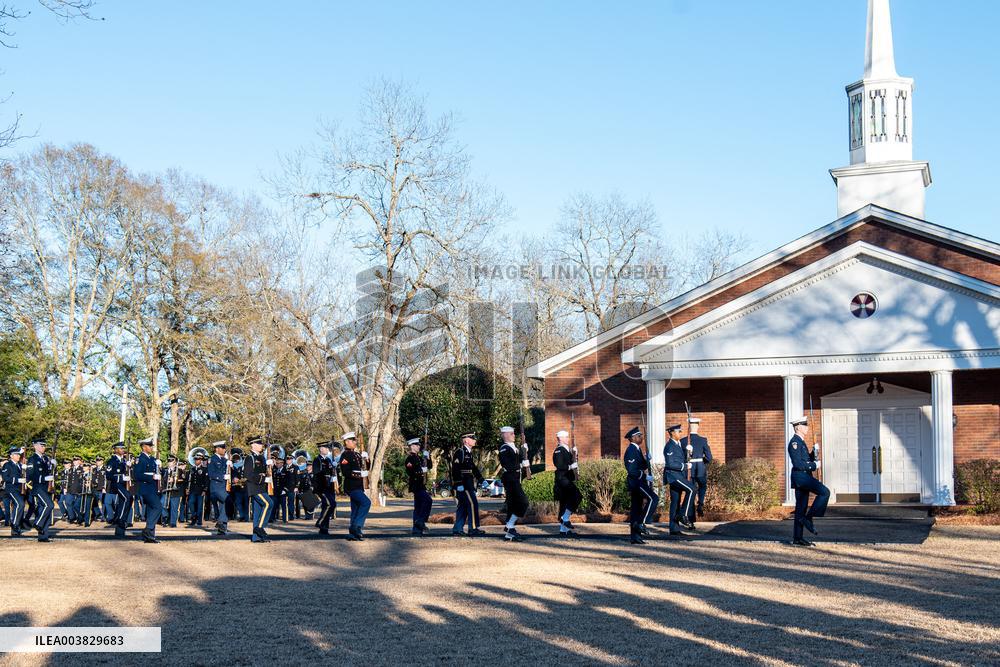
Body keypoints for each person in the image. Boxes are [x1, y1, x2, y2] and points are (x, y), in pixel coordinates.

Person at [788, 416, 829, 547]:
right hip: (801, 477)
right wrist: (814, 466)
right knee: (824, 492)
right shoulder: (794, 443)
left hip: (803, 477)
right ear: (798, 427)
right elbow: (798, 464)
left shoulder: (801, 442)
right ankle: (808, 518)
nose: (807, 428)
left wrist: (813, 452)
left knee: (801, 508)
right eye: (804, 425)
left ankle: (797, 538)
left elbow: (805, 458)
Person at [623, 426, 657, 545]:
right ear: (632, 438)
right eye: (639, 436)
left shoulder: (637, 449)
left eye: (641, 435)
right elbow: (632, 470)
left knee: (636, 509)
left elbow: (641, 466)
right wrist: (644, 476)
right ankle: (641, 523)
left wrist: (647, 460)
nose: (641, 438)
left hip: (638, 482)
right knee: (653, 498)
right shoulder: (631, 450)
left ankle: (635, 537)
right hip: (636, 483)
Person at [496, 427, 529, 542]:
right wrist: (521, 464)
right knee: (523, 502)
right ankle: (509, 526)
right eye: (511, 434)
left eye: (514, 433)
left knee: (513, 504)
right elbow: (507, 465)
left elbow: (518, 460)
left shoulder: (513, 447)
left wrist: (524, 451)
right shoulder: (504, 449)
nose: (514, 435)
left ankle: (510, 532)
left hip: (515, 478)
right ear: (505, 435)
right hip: (510, 479)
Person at [663, 424, 695, 536]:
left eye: (680, 431)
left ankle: (674, 529)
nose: (680, 433)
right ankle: (683, 514)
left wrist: (689, 452)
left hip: (679, 476)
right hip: (673, 476)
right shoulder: (669, 446)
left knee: (675, 502)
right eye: (678, 431)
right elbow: (671, 464)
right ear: (672, 433)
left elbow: (682, 459)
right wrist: (685, 466)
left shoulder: (678, 444)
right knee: (692, 489)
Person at [339, 432, 371, 541]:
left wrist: (366, 459)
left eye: (355, 440)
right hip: (351, 486)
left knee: (356, 508)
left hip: (359, 486)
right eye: (353, 441)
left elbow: (366, 467)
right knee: (366, 502)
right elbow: (346, 472)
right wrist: (359, 474)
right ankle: (357, 526)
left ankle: (353, 534)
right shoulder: (345, 455)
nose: (355, 442)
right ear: (347, 442)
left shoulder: (357, 454)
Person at [451, 433, 484, 537]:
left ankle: (457, 529)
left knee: (463, 506)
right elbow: (455, 469)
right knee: (472, 504)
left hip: (468, 483)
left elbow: (473, 468)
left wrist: (481, 479)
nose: (475, 440)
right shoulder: (460, 452)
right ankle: (473, 528)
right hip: (464, 484)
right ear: (466, 441)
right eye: (472, 438)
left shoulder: (469, 453)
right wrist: (458, 483)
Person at [133, 438, 163, 543]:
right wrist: (152, 477)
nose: (151, 448)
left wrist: (160, 466)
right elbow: (137, 475)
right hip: (145, 488)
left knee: (151, 510)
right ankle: (148, 529)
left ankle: (150, 536)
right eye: (149, 446)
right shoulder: (140, 459)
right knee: (158, 507)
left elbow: (158, 472)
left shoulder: (151, 459)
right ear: (144, 447)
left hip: (153, 488)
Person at [682, 417, 713, 520]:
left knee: (691, 492)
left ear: (688, 427)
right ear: (698, 426)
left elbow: (681, 457)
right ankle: (700, 503)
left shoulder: (683, 441)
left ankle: (691, 518)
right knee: (702, 486)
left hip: (689, 470)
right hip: (700, 468)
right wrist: (701, 461)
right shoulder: (703, 440)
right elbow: (709, 457)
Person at [552, 430, 581, 538]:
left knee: (566, 502)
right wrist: (570, 467)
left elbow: (573, 462)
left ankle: (563, 530)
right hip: (562, 479)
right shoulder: (559, 450)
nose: (568, 439)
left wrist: (575, 454)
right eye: (566, 437)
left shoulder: (566, 450)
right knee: (576, 496)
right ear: (561, 438)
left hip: (567, 478)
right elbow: (560, 465)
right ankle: (565, 519)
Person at [26, 441, 55, 542]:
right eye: (41, 446)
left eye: (44, 446)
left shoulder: (45, 458)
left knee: (43, 509)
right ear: (35, 446)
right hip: (37, 487)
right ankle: (37, 523)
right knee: (49, 505)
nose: (43, 447)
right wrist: (44, 478)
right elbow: (30, 476)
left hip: (46, 487)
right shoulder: (32, 459)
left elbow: (49, 471)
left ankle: (43, 536)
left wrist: (53, 465)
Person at [245, 437, 272, 543]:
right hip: (254, 487)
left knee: (257, 512)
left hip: (261, 487)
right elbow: (248, 475)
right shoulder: (250, 458)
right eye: (259, 444)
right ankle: (259, 528)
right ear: (253, 445)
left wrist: (269, 465)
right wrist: (263, 478)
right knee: (269, 503)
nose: (261, 445)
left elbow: (265, 472)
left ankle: (256, 537)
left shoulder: (261, 458)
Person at [404, 437, 433, 536]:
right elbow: (410, 472)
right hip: (416, 485)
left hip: (422, 484)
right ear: (412, 446)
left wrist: (428, 457)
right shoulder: (409, 459)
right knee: (428, 500)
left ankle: (416, 529)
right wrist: (421, 470)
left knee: (418, 506)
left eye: (419, 445)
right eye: (417, 445)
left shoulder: (420, 458)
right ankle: (420, 521)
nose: (419, 446)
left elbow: (430, 466)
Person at [106, 441, 132, 537]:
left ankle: (120, 524)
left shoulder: (123, 461)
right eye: (121, 448)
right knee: (127, 498)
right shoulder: (111, 461)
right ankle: (120, 520)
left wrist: (129, 465)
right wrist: (121, 478)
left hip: (124, 485)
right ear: (116, 450)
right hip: (116, 484)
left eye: (123, 448)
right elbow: (108, 476)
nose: (123, 450)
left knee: (127, 499)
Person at [313, 442, 338, 536]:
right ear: (321, 449)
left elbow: (331, 473)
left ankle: (324, 528)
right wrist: (328, 471)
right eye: (326, 448)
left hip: (329, 487)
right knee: (329, 504)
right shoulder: (317, 460)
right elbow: (317, 473)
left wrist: (334, 468)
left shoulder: (328, 459)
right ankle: (320, 522)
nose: (328, 450)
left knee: (329, 506)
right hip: (321, 487)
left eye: (328, 448)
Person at [2, 446, 27, 537]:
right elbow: (5, 478)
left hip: (20, 489)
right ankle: (15, 525)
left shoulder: (20, 465)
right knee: (20, 504)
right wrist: (18, 480)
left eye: (18, 454)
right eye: (16, 454)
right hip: (11, 489)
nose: (18, 456)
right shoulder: (7, 465)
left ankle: (17, 525)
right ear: (11, 456)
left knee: (19, 505)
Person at [207, 441, 231, 535]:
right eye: (223, 448)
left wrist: (231, 465)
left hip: (224, 487)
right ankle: (220, 521)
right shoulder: (212, 459)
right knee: (228, 501)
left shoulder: (224, 460)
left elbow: (229, 472)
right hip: (216, 487)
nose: (224, 450)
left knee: (223, 506)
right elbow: (211, 473)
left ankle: (222, 529)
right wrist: (222, 476)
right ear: (217, 449)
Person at [186, 454, 208, 528]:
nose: (196, 461)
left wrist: (205, 489)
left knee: (199, 506)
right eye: (195, 459)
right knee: (190, 503)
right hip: (193, 490)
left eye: (198, 460)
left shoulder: (204, 469)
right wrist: (188, 488)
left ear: (201, 460)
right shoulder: (192, 469)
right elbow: (190, 480)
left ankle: (199, 521)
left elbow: (206, 481)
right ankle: (194, 516)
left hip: (200, 490)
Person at [228, 449, 248, 522]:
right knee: (238, 502)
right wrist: (234, 478)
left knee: (246, 503)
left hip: (246, 488)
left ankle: (246, 517)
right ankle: (242, 516)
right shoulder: (238, 468)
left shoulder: (248, 468)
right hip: (238, 488)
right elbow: (235, 475)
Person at [64, 456, 84, 524]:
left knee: (77, 505)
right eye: (74, 460)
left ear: (79, 461)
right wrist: (66, 488)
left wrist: (81, 489)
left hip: (78, 490)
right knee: (68, 502)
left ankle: (80, 517)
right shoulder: (71, 469)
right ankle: (72, 517)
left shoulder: (82, 469)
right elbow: (68, 480)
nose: (74, 461)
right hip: (70, 489)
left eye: (76, 460)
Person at [270, 450, 288, 523]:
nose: (277, 464)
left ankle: (284, 519)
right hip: (275, 491)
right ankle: (272, 518)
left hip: (283, 491)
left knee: (284, 506)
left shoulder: (286, 471)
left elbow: (288, 481)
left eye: (278, 463)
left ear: (282, 463)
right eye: (276, 463)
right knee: (274, 505)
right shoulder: (274, 471)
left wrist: (285, 489)